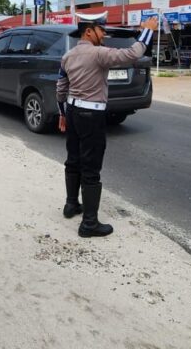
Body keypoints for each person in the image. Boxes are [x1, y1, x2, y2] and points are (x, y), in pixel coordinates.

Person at [56, 12, 158, 238]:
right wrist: (148, 30)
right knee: (91, 167)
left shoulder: (68, 56)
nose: (104, 35)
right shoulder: (98, 54)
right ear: (89, 31)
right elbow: (132, 54)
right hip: (91, 115)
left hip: (72, 112)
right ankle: (89, 224)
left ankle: (71, 205)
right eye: (101, 30)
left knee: (73, 160)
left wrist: (62, 113)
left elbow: (61, 87)